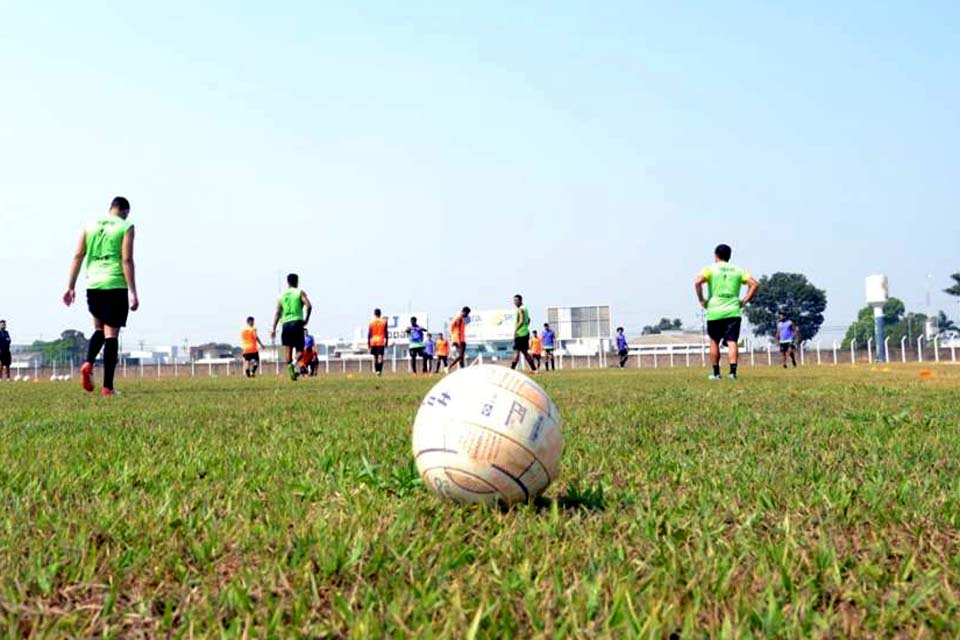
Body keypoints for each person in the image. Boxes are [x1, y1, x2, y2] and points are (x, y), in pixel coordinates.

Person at [62, 196, 140, 396]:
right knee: (111, 335)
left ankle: (88, 362)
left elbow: (78, 255)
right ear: (124, 211)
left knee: (98, 329)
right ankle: (108, 387)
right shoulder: (126, 226)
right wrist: (132, 291)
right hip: (114, 284)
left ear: (110, 208)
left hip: (93, 284)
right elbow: (127, 259)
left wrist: (70, 286)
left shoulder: (90, 225)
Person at [694, 243, 759, 381]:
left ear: (715, 255)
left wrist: (702, 299)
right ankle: (732, 373)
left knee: (714, 341)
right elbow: (754, 284)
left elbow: (698, 282)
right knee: (732, 341)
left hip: (715, 310)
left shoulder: (710, 269)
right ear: (729, 256)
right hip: (733, 310)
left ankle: (716, 373)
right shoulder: (737, 270)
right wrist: (744, 301)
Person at [271, 273, 312, 381]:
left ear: (287, 282)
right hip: (297, 322)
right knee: (300, 350)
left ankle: (292, 373)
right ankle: (293, 365)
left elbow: (277, 312)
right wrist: (306, 319)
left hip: (285, 324)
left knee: (288, 351)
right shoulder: (299, 292)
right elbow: (309, 305)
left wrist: (273, 328)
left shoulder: (281, 295)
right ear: (297, 281)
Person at [511, 294, 537, 371]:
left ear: (520, 300)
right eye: (514, 300)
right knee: (525, 352)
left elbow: (521, 320)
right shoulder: (525, 309)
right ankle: (534, 369)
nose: (515, 302)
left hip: (520, 334)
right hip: (525, 332)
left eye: (516, 300)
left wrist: (516, 329)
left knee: (517, 351)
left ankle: (512, 370)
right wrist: (525, 327)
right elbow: (528, 319)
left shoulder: (520, 309)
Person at [448, 307, 471, 372]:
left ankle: (462, 369)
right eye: (467, 313)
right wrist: (457, 340)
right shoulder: (459, 318)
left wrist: (453, 339)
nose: (467, 315)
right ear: (464, 312)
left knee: (461, 356)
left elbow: (452, 328)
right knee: (461, 355)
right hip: (459, 339)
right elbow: (456, 329)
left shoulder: (460, 318)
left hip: (457, 339)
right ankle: (449, 367)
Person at [368, 308, 389, 376]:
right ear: (380, 314)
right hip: (381, 341)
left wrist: (368, 342)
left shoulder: (371, 322)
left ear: (374, 314)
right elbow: (386, 332)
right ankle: (380, 371)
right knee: (381, 357)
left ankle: (376, 371)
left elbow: (369, 333)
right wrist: (386, 341)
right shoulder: (384, 321)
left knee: (375, 357)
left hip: (373, 341)